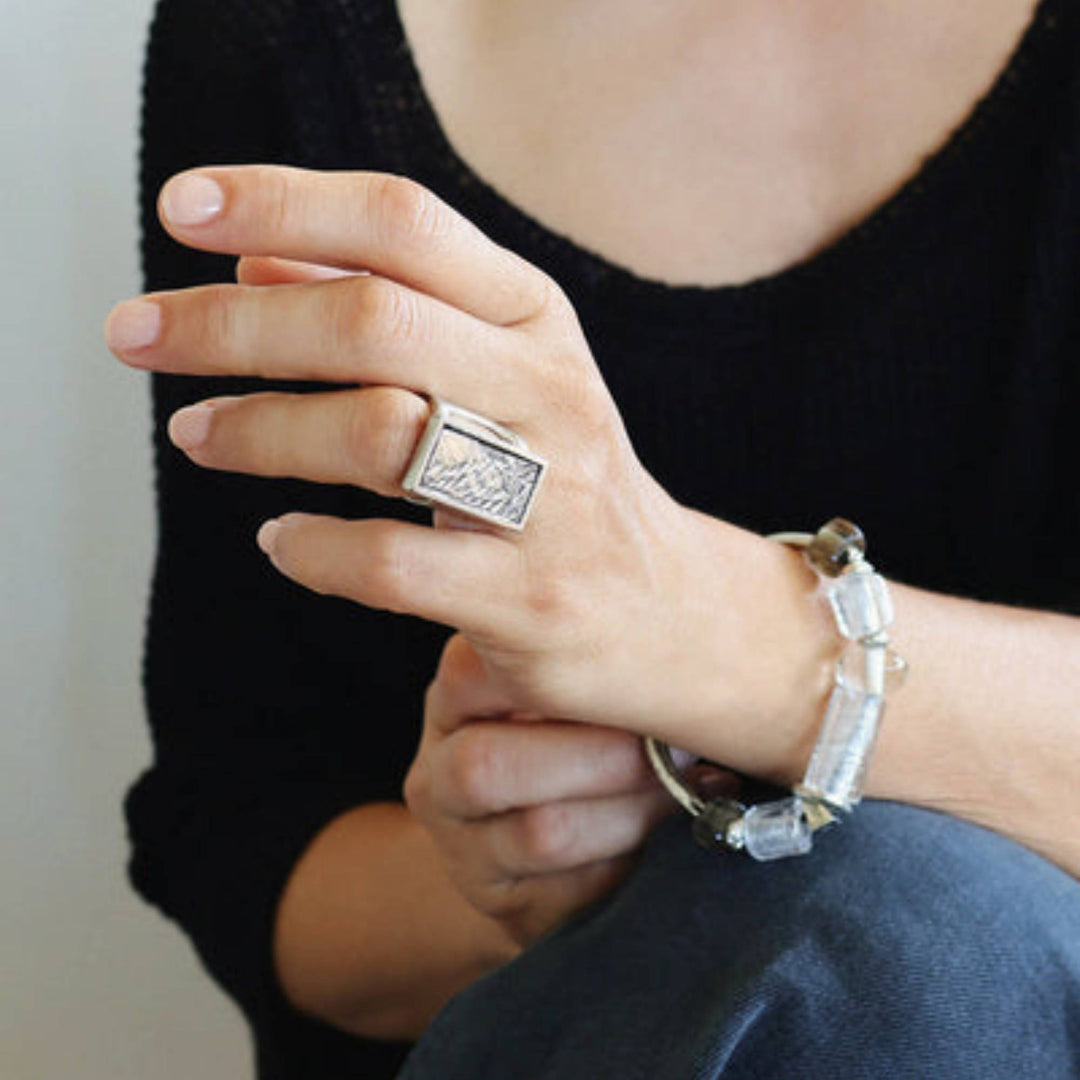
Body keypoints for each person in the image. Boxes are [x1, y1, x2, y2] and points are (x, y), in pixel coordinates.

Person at [107, 0, 1080, 1077]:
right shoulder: (287, 35)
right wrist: (511, 878)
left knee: (911, 936)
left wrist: (721, 632)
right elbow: (242, 840)